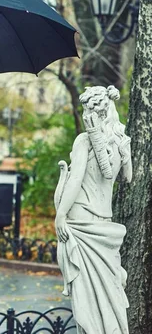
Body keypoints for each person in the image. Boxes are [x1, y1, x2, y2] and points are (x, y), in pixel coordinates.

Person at [54, 85, 131, 334]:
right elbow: (127, 176)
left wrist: (61, 214)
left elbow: (75, 179)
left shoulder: (85, 140)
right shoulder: (121, 139)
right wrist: (122, 152)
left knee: (87, 297)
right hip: (105, 221)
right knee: (110, 293)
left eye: (88, 109)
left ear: (94, 111)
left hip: (81, 219)